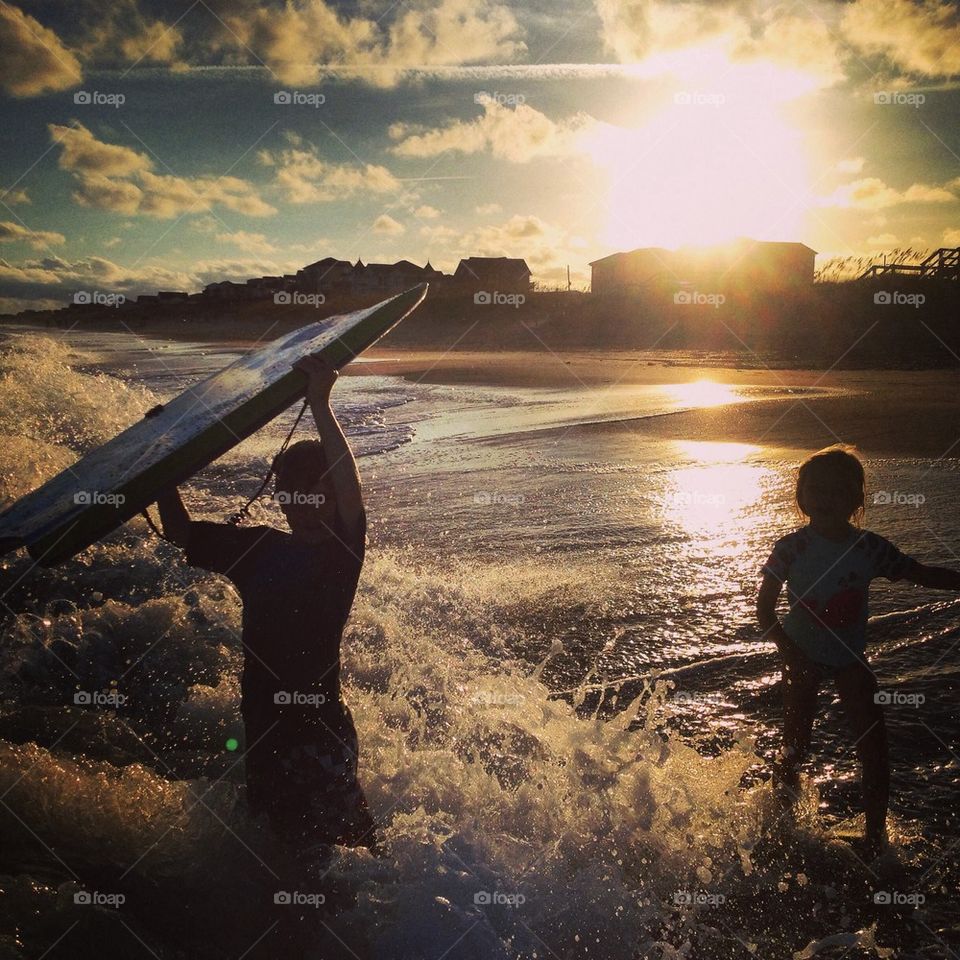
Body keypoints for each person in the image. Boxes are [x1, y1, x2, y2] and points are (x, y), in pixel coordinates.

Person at [156, 354, 376, 853]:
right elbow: (179, 532)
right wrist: (160, 477)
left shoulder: (341, 554)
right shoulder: (256, 550)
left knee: (351, 849)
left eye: (312, 492)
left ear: (329, 493)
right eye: (289, 493)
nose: (299, 503)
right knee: (278, 844)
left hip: (320, 731)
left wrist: (320, 403)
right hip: (262, 722)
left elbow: (349, 484)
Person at [757, 445, 960, 857]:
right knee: (796, 743)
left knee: (874, 746)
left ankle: (874, 836)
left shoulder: (870, 549)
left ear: (856, 500)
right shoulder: (791, 547)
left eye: (838, 491)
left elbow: (919, 573)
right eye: (816, 490)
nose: (826, 499)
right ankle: (779, 830)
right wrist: (789, 652)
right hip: (801, 656)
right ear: (802, 498)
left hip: (850, 659)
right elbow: (763, 609)